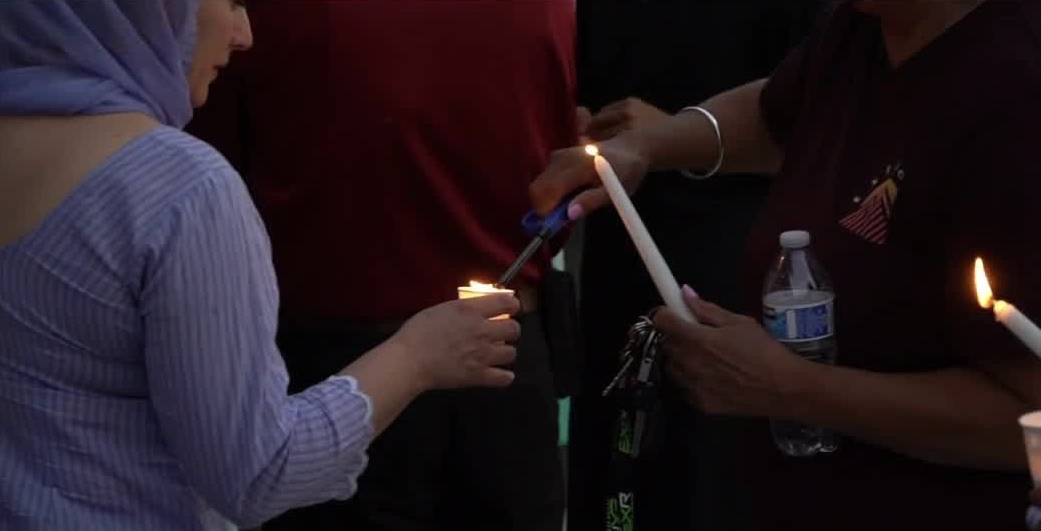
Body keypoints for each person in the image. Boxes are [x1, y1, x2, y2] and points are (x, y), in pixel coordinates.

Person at [0, 1, 521, 530]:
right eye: (227, 1)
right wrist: (418, 355)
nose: (246, 34)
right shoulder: (176, 188)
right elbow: (258, 472)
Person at [530, 1, 1041, 529]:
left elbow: (1023, 416)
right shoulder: (866, 25)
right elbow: (781, 110)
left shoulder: (1015, 93)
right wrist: (647, 146)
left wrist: (795, 389)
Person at [188, 2, 576, 529]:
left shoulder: (252, 17)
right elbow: (561, 169)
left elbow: (204, 160)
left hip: (338, 371)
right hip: (499, 354)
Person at [568, 2, 821, 530]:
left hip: (739, 268)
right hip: (622, 256)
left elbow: (827, 118)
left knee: (710, 481)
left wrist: (676, 136)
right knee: (619, 477)